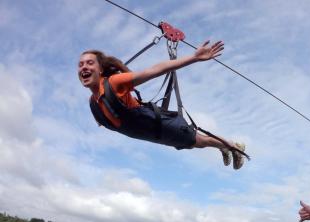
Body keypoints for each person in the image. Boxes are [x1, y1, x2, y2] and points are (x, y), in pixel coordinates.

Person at [78, 40, 246, 169]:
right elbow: (112, 119)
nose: (84, 67)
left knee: (198, 141)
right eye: (81, 64)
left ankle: (233, 146)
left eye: (89, 63)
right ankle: (224, 146)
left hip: (156, 124)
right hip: (150, 134)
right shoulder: (93, 103)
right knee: (197, 144)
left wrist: (194, 58)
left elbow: (153, 71)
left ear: (100, 69)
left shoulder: (113, 83)